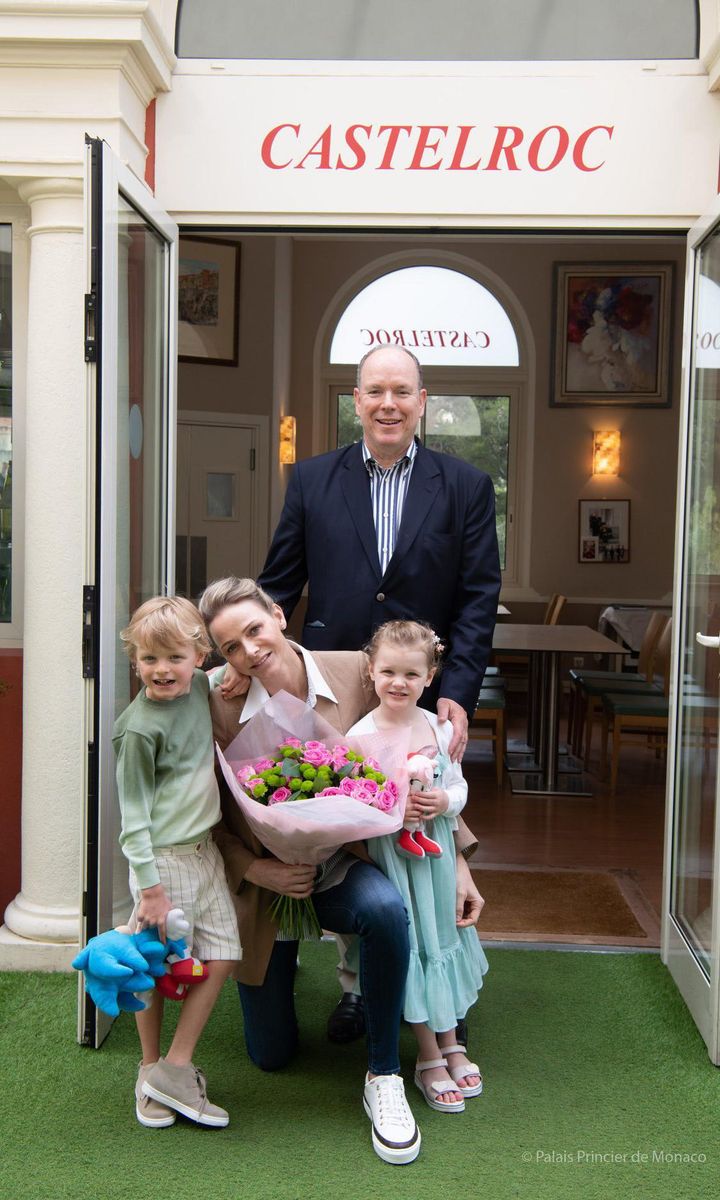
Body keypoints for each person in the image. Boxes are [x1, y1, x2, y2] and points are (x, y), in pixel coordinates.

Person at [255, 344, 500, 1039]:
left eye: (402, 391)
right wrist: (250, 658)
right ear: (356, 401)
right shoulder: (310, 480)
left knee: (423, 829)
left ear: (423, 401)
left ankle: (437, 984)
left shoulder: (465, 486)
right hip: (339, 692)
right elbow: (279, 588)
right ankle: (359, 984)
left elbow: (479, 599)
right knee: (352, 842)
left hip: (418, 696)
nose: (387, 403)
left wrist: (456, 691)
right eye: (374, 391)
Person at [199, 577, 484, 1165]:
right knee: (271, 1054)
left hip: (350, 864)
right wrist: (257, 869)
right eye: (230, 647)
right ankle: (319, 973)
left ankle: (384, 1074)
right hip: (273, 882)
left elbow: (420, 750)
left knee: (385, 909)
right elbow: (209, 822)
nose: (249, 651)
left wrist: (457, 858)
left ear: (279, 615)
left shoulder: (358, 668)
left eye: (255, 629)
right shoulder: (214, 700)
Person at [347, 620, 487, 1113]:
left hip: (439, 859)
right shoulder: (360, 736)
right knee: (416, 944)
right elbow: (354, 809)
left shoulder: (438, 726)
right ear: (371, 671)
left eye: (411, 673)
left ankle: (452, 1043)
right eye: (388, 671)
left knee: (443, 939)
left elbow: (462, 790)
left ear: (430, 677)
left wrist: (444, 799)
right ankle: (427, 1054)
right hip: (397, 864)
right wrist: (392, 812)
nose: (398, 683)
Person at [114, 596, 242, 1130]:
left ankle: (175, 1065)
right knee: (154, 968)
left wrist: (234, 667)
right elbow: (132, 819)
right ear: (135, 660)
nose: (161, 671)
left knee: (224, 954)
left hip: (204, 851)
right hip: (162, 864)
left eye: (173, 658)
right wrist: (150, 890)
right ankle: (149, 1071)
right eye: (149, 659)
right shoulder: (139, 729)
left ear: (197, 656)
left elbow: (223, 675)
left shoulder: (199, 688)